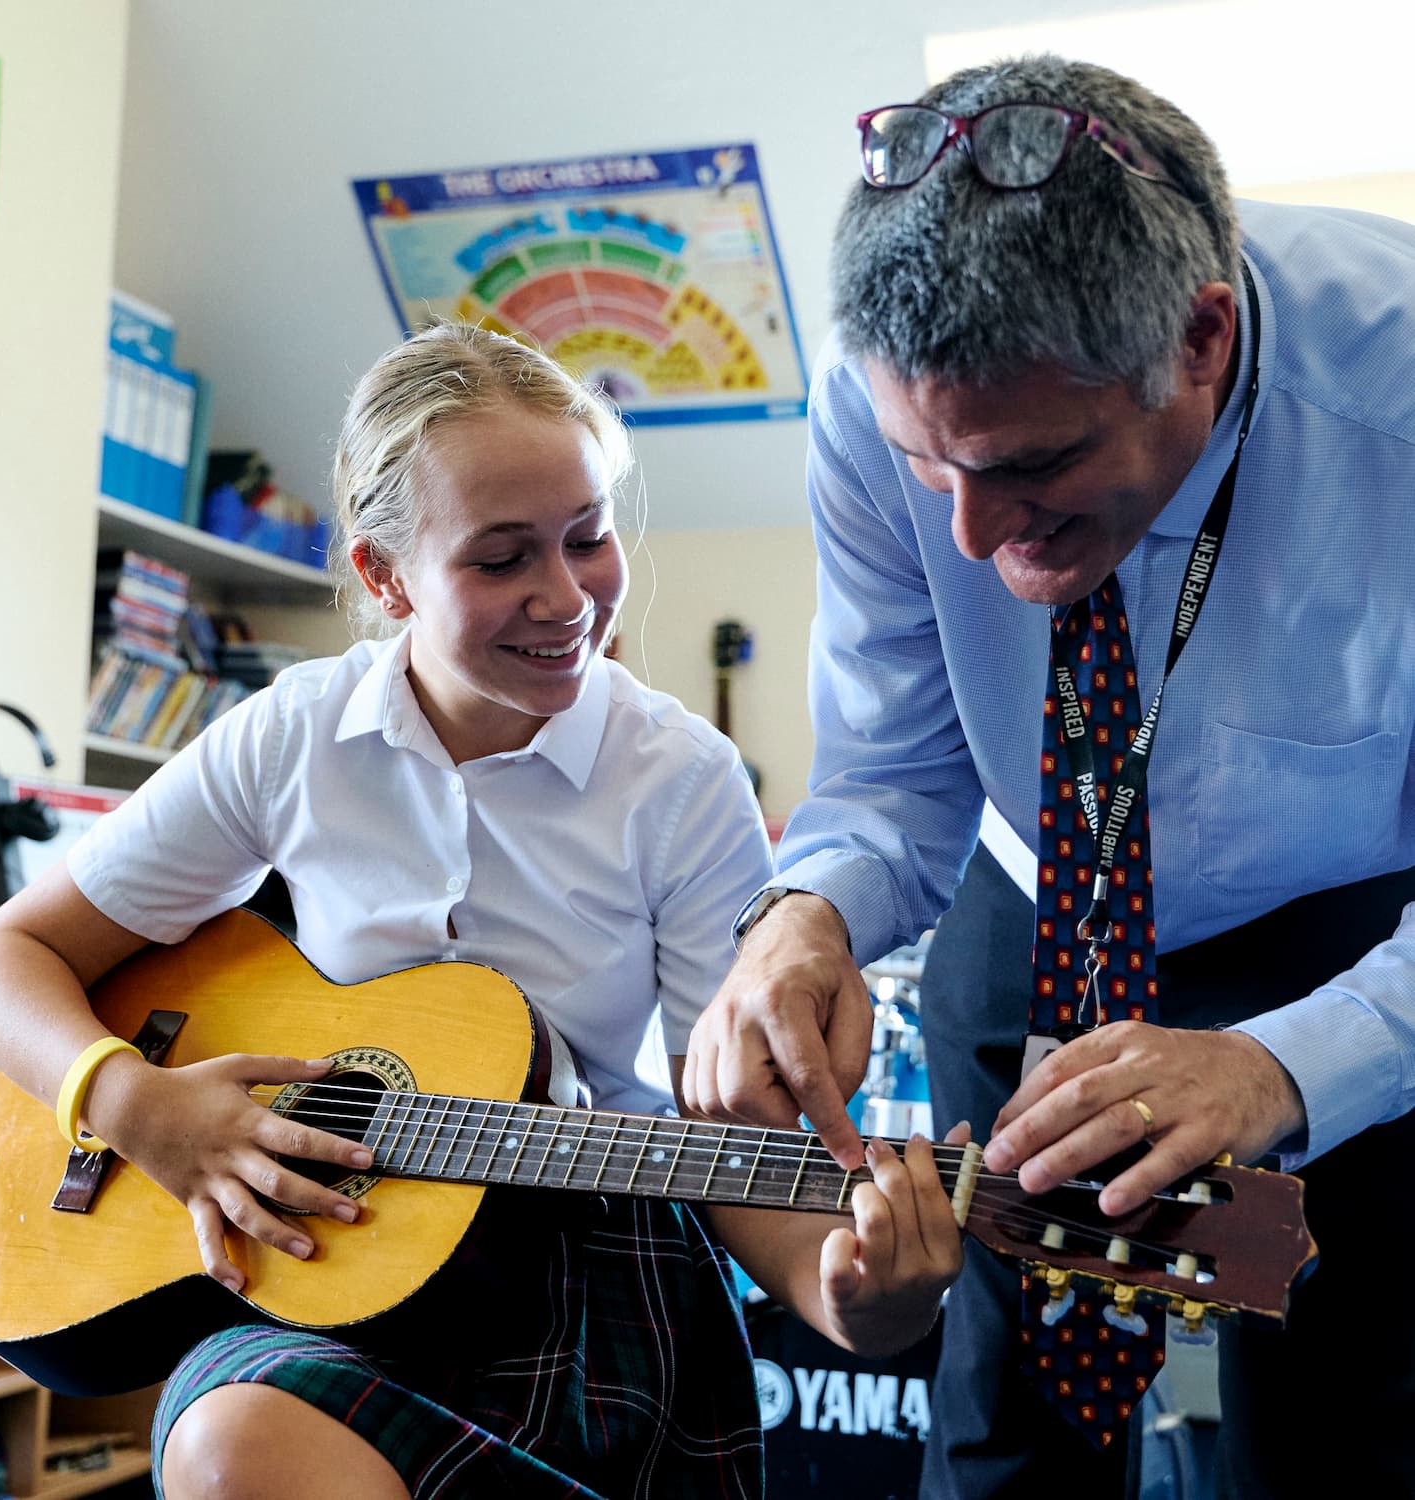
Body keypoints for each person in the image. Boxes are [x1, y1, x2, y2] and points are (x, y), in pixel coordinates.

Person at [0, 324, 963, 1500]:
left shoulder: (680, 778)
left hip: (589, 1269)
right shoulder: (290, 737)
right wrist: (133, 1103)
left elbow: (738, 1139)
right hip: (324, 1267)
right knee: (231, 1446)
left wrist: (861, 1299)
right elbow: (3, 959)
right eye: (501, 558)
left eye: (588, 537)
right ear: (385, 576)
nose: (565, 595)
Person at [683, 53, 1415, 1499]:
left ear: (1201, 337)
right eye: (929, 467)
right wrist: (804, 916)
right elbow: (896, 768)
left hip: (1353, 931)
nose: (969, 538)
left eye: (1031, 464)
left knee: (1344, 1424)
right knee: (1002, 1423)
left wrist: (1289, 1061)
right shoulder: (873, 390)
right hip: (1036, 895)